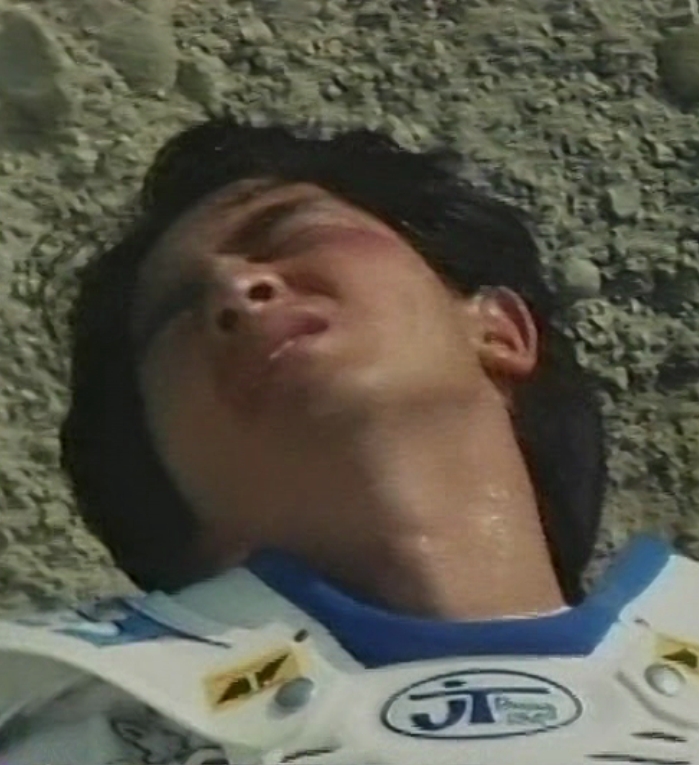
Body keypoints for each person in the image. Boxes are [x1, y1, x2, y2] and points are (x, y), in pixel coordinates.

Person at [0, 116, 697, 765]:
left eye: (289, 232)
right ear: (156, 471)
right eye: (176, 310)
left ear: (500, 330)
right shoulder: (50, 724)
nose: (236, 288)